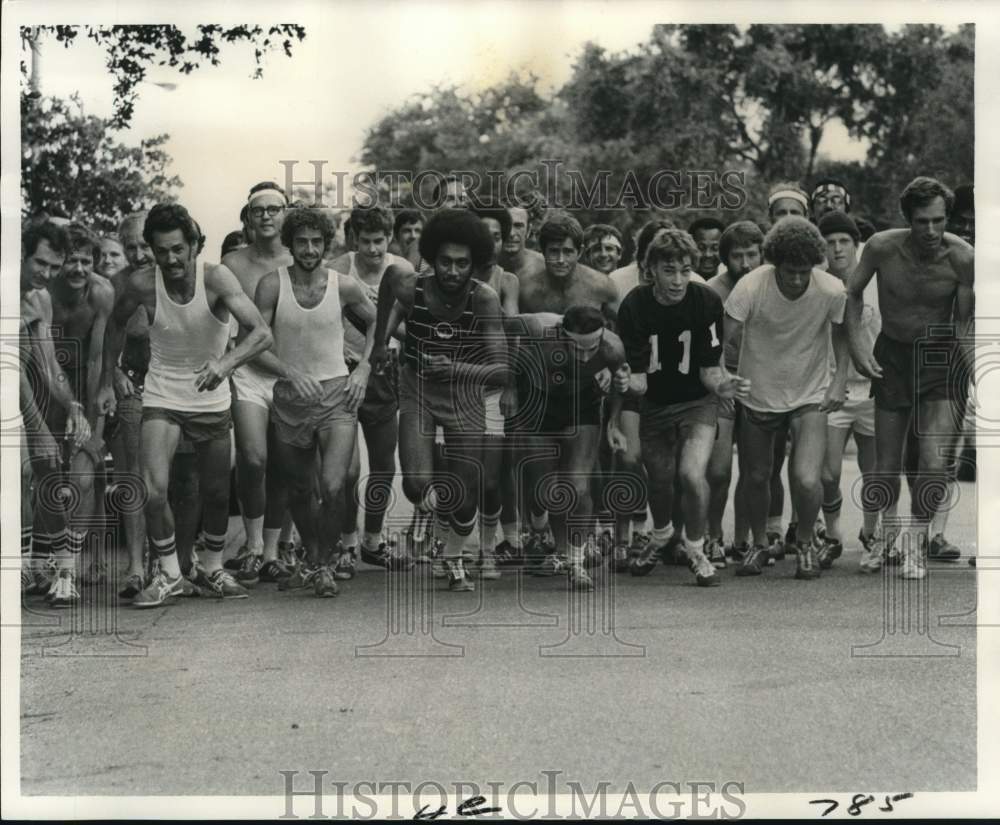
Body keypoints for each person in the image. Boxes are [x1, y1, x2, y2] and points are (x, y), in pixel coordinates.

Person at [104, 203, 274, 607]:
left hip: (210, 396)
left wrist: (226, 362)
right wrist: (109, 373)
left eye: (179, 249)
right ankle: (169, 573)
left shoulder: (216, 278)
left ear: (195, 245)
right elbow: (113, 325)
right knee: (153, 488)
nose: (170, 259)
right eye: (161, 251)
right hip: (162, 394)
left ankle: (212, 567)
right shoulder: (142, 285)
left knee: (216, 493)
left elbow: (261, 332)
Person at [372, 209, 509, 592]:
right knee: (416, 484)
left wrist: (455, 368)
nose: (452, 271)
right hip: (417, 387)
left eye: (462, 264)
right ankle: (440, 528)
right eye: (445, 262)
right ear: (432, 258)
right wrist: (380, 345)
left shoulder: (484, 300)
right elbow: (385, 287)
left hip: (464, 393)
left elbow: (502, 371)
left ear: (475, 264)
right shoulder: (408, 284)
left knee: (465, 498)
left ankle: (452, 558)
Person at [846, 177, 974, 578]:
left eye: (939, 220)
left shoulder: (963, 257)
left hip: (941, 358)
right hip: (894, 357)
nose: (932, 230)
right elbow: (851, 296)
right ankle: (887, 533)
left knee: (935, 461)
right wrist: (858, 348)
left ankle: (917, 541)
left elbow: (966, 323)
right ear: (908, 219)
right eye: (922, 221)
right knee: (886, 464)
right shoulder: (882, 247)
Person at [616, 228, 749, 587]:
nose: (678, 280)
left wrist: (723, 386)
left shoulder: (706, 301)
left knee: (692, 474)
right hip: (655, 403)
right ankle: (660, 536)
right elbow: (640, 379)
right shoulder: (634, 305)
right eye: (669, 270)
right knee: (660, 482)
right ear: (651, 270)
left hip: (696, 401)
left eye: (685, 270)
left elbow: (709, 369)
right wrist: (625, 383)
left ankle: (695, 547)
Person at [254, 207, 377, 596]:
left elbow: (378, 322)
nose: (309, 249)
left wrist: (363, 370)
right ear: (289, 243)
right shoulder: (272, 285)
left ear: (327, 244)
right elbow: (255, 346)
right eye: (302, 241)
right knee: (299, 491)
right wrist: (290, 374)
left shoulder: (344, 286)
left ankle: (323, 565)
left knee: (333, 484)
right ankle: (313, 558)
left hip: (337, 394)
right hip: (291, 396)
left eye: (317, 242)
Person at [725, 216, 849, 580]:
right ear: (774, 263)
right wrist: (724, 376)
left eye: (803, 271)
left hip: (809, 393)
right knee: (756, 475)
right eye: (789, 271)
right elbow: (722, 334)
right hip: (757, 392)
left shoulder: (830, 290)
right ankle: (761, 543)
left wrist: (839, 378)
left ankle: (807, 543)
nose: (797, 279)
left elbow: (841, 333)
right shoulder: (750, 287)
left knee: (808, 479)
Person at [329, 204, 412, 575]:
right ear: (353, 240)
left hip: (385, 368)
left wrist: (383, 321)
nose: (374, 249)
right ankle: (346, 542)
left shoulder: (404, 272)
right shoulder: (337, 270)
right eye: (366, 242)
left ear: (390, 238)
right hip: (341, 367)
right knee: (347, 469)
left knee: (383, 463)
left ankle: (373, 541)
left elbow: (415, 332)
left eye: (380, 241)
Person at [221, 182, 296, 584]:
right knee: (252, 458)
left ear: (286, 213)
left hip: (289, 371)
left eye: (274, 209)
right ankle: (251, 545)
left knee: (284, 462)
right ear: (248, 218)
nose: (266, 216)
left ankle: (272, 550)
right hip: (249, 370)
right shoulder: (232, 264)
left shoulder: (298, 258)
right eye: (258, 211)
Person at [19, 221, 92, 607]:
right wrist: (38, 428)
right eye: (40, 263)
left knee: (36, 468)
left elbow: (48, 366)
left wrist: (73, 404)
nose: (46, 274)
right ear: (21, 253)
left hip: (17, 397)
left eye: (53, 267)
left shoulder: (39, 298)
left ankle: (46, 569)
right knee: (25, 465)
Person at [44, 224, 115, 586]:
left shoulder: (102, 293)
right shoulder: (44, 292)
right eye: (71, 260)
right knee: (48, 475)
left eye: (86, 261)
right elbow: (40, 358)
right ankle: (46, 562)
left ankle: (77, 565)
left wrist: (87, 415)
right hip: (47, 382)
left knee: (85, 476)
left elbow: (96, 360)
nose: (79, 269)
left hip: (88, 383)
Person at [816, 211, 880, 569]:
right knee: (826, 473)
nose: (837, 248)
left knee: (873, 473)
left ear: (856, 245)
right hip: (829, 388)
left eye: (844, 241)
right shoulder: (819, 284)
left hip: (872, 387)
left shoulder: (876, 282)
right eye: (830, 242)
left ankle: (871, 535)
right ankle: (833, 534)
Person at [704, 220, 764, 566]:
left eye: (752, 254)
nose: (746, 262)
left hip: (761, 383)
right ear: (724, 258)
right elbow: (707, 345)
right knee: (719, 469)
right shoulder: (712, 290)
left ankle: (744, 539)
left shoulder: (770, 284)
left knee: (757, 469)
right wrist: (719, 379)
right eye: (737, 255)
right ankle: (713, 536)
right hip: (722, 381)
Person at [471, 206, 521, 574]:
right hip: (452, 389)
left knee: (489, 476)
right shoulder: (447, 273)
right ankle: (448, 550)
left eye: (497, 236)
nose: (490, 242)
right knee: (451, 476)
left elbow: (514, 332)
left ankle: (487, 550)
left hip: (493, 387)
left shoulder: (507, 280)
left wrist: (510, 385)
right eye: (482, 233)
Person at [498, 204, 544, 280]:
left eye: (518, 226)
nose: (511, 233)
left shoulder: (544, 267)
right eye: (505, 225)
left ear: (528, 230)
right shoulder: (482, 267)